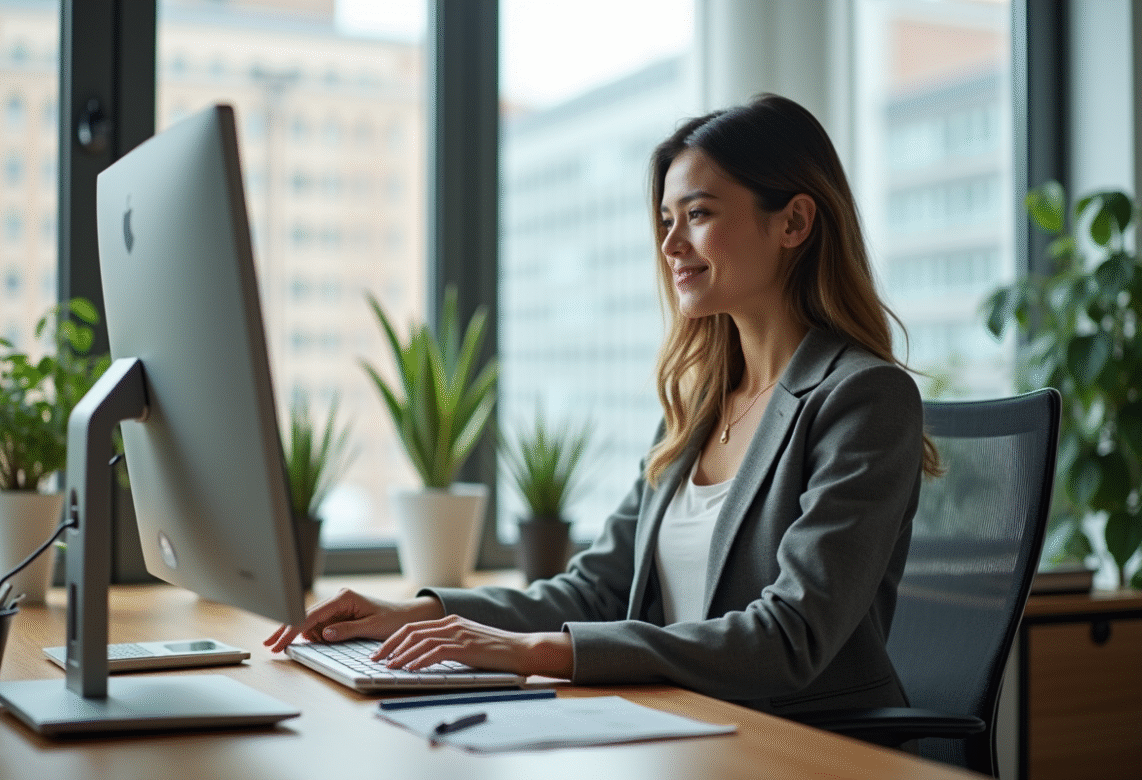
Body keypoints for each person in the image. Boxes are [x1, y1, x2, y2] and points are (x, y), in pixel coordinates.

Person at [266, 93, 938, 717]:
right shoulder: (698, 405)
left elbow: (790, 636)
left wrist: (540, 652)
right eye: (667, 220)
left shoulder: (863, 399)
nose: (671, 245)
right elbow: (594, 590)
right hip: (685, 723)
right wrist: (415, 613)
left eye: (698, 215)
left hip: (805, 745)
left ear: (793, 221)